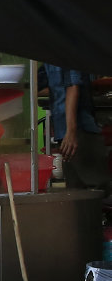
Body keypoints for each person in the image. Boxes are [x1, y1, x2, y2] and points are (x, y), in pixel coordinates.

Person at [43, 64, 108, 193]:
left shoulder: (67, 51)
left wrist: (71, 131)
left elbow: (73, 87)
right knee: (75, 191)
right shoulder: (51, 54)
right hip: (66, 132)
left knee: (93, 191)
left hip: (79, 131)